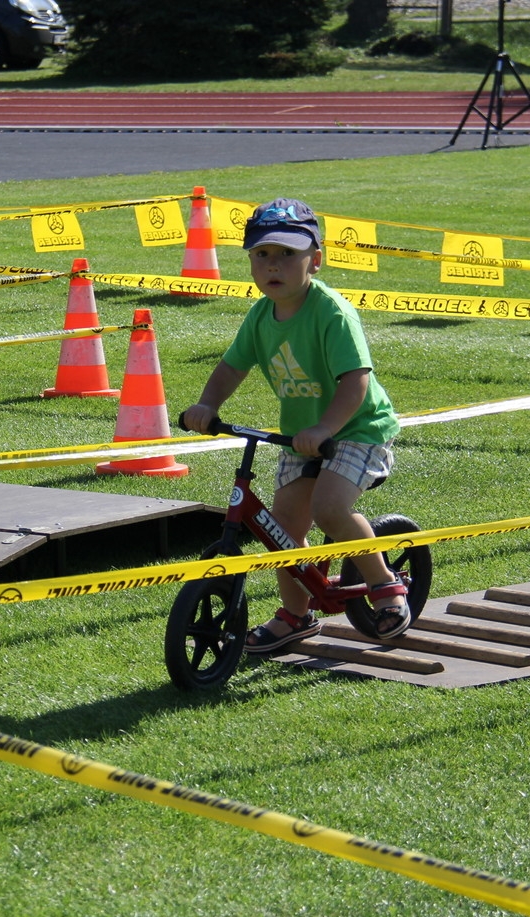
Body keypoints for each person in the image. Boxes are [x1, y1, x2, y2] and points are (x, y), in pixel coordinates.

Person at [180, 197, 410, 653]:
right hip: (302, 436)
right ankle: (296, 615)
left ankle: (385, 585)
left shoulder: (332, 312)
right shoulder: (260, 315)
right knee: (280, 526)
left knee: (329, 509)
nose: (274, 265)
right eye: (262, 255)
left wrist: (325, 428)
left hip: (357, 428)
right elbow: (232, 367)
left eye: (288, 254)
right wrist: (206, 404)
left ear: (315, 261)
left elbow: (354, 382)